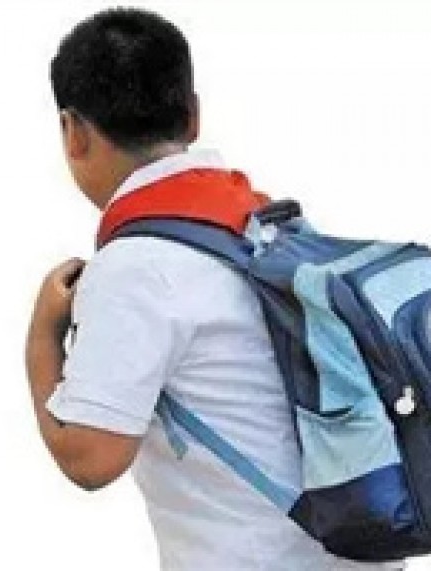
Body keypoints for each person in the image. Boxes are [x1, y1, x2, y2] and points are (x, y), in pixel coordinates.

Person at [25, 8, 405, 570]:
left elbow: (91, 459)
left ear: (73, 132)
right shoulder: (267, 226)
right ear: (194, 114)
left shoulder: (134, 267)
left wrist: (41, 339)